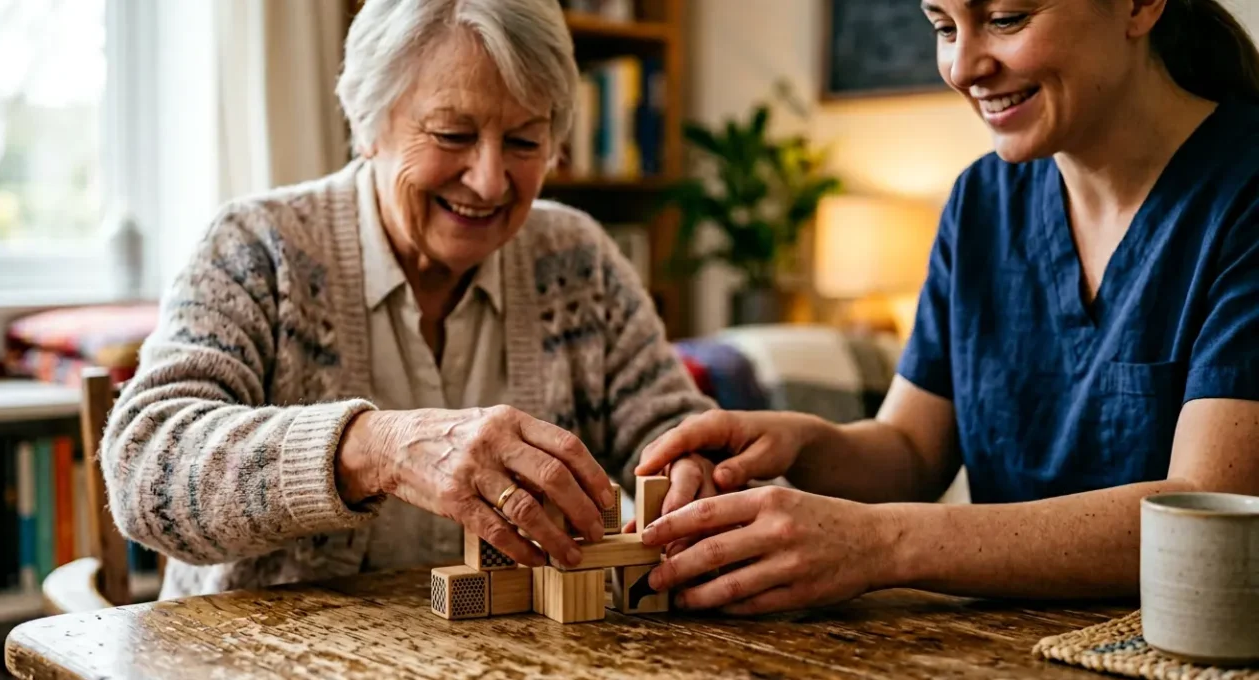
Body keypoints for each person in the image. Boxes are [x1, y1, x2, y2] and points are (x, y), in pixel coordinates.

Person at [633, 0, 1259, 615]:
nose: (962, 68)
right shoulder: (981, 201)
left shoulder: (1244, 193)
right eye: (943, 27)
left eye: (1006, 20)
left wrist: (881, 544)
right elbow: (911, 450)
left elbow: (1209, 512)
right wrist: (798, 443)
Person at [101, 0, 714, 599]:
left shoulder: (577, 259)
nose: (489, 181)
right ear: (368, 125)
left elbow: (671, 430)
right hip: (264, 652)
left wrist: (694, 475)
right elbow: (144, 472)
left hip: (516, 651)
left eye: (525, 142)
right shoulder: (258, 246)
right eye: (453, 134)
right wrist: (376, 449)